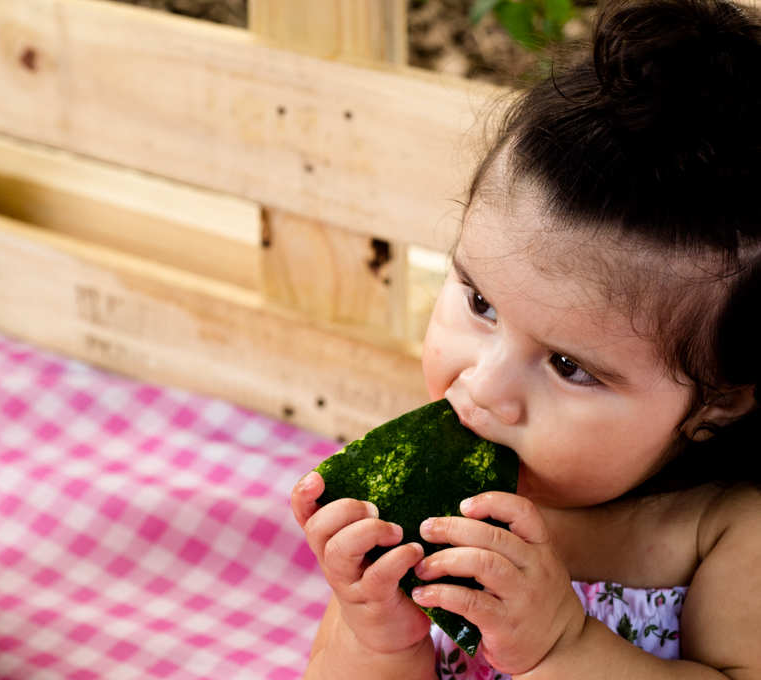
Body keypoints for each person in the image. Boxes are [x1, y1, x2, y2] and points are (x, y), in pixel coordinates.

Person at [290, 0, 761, 677]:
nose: (483, 387)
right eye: (480, 302)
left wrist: (560, 648)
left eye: (569, 365)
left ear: (720, 403)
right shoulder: (428, 488)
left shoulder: (723, 533)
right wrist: (377, 638)